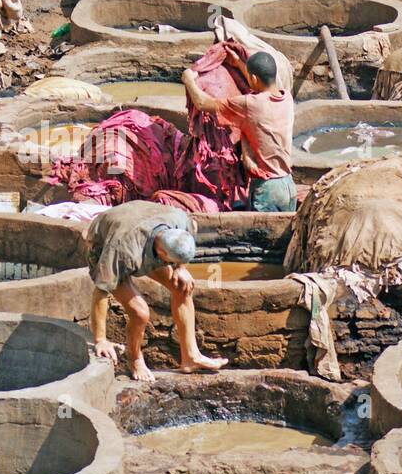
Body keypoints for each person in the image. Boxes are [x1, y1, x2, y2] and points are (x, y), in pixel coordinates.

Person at [88, 200, 227, 382]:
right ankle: (135, 359)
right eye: (169, 262)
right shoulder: (122, 250)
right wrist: (101, 340)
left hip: (142, 222)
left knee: (182, 287)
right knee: (140, 313)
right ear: (160, 254)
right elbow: (101, 292)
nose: (168, 266)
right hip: (104, 243)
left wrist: (179, 268)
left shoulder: (181, 223)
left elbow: (185, 240)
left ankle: (190, 358)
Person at [182, 51, 298, 212]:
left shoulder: (250, 104)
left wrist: (188, 81)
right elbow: (260, 82)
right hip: (288, 186)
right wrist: (238, 63)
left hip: (267, 189)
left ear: (254, 78)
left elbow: (202, 103)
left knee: (257, 237)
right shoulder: (286, 98)